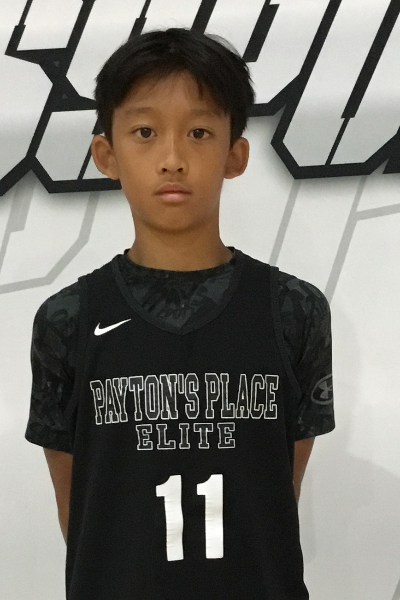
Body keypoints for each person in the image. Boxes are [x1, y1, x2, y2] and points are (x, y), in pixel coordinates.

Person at [25, 27, 335, 600]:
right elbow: (81, 508)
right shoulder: (66, 319)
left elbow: (276, 490)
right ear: (106, 154)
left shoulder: (294, 310)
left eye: (198, 132)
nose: (172, 159)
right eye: (145, 132)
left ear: (235, 154)